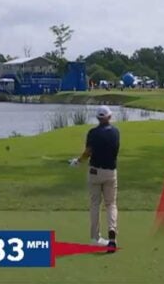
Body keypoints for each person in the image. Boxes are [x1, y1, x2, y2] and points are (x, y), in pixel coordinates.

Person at [70, 105, 121, 250]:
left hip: (95, 172)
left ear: (98, 118)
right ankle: (112, 235)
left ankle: (95, 237)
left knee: (95, 204)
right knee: (111, 204)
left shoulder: (92, 133)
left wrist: (78, 161)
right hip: (111, 173)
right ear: (109, 117)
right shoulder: (116, 132)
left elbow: (88, 152)